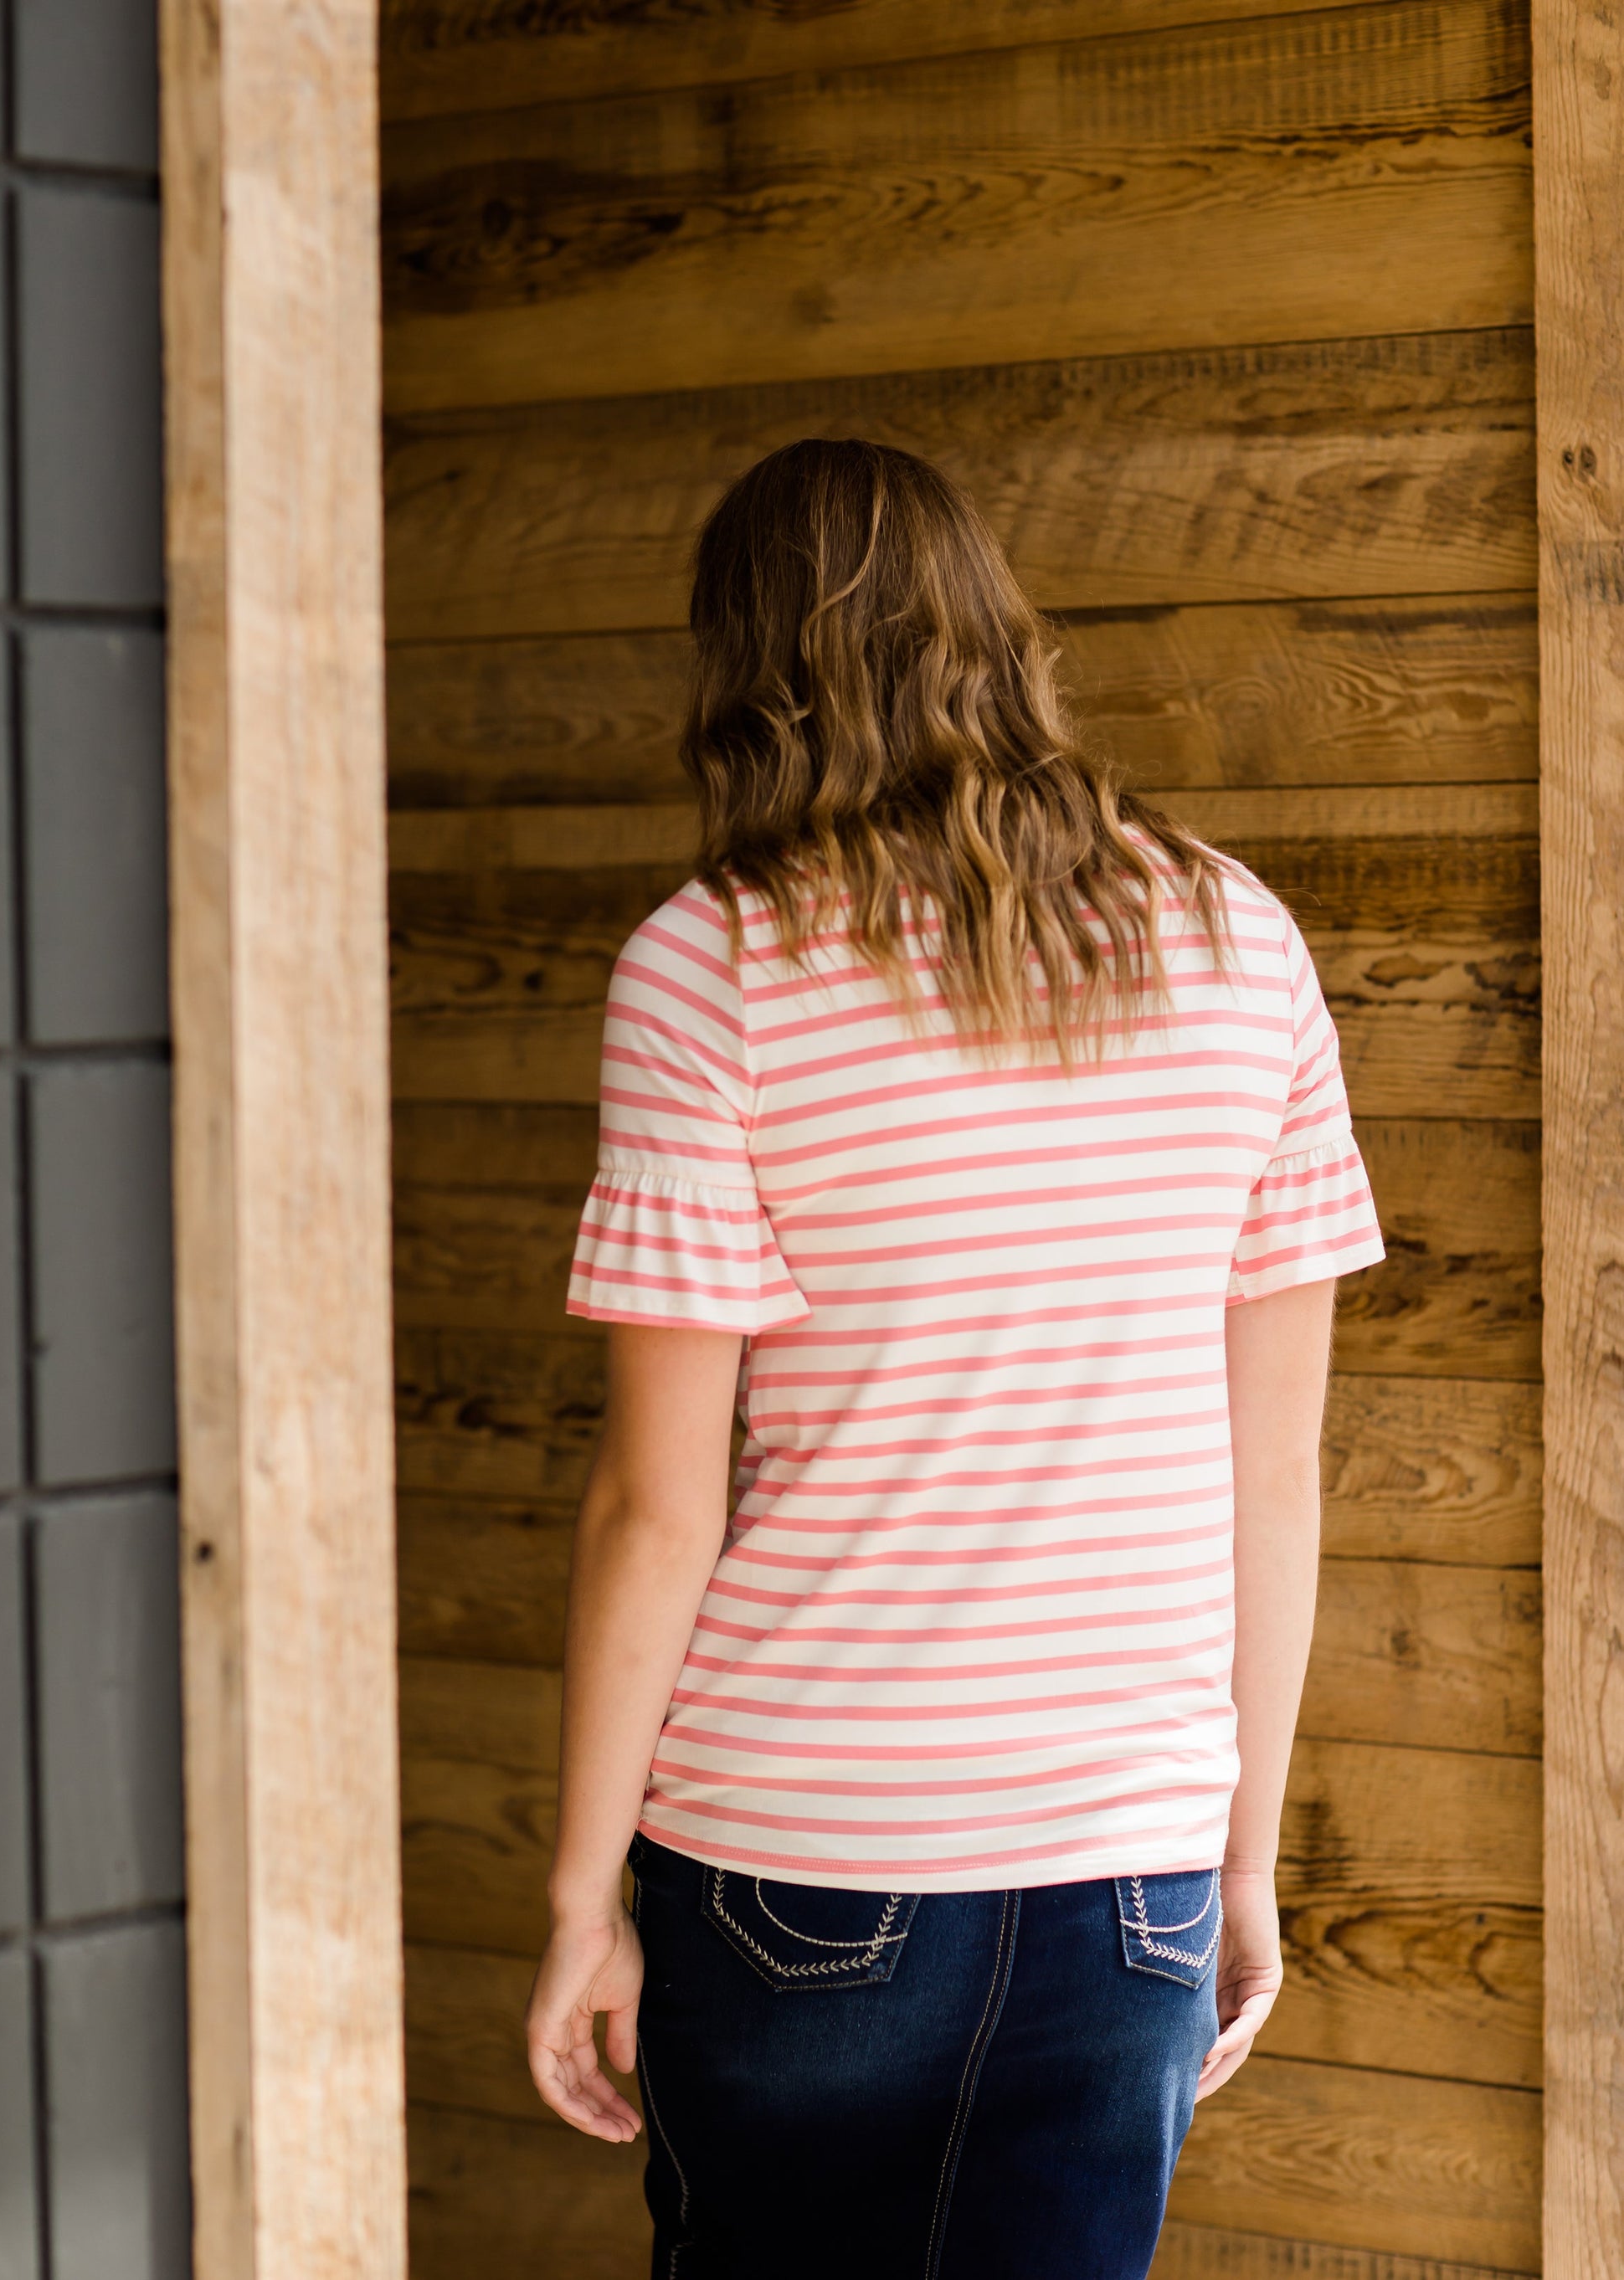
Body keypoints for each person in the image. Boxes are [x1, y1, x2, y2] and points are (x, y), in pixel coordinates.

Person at [523, 438, 1385, 2279]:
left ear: (738, 668)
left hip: (794, 1861)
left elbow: (655, 1509)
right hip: (1128, 1873)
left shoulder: (716, 966)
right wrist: (1236, 1864)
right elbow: (1269, 1471)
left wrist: (580, 1897)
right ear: (997, 630)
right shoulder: (1242, 940)